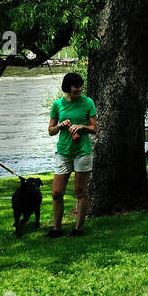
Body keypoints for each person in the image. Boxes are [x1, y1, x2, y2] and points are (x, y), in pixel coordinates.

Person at [48, 72, 97, 238]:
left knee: (80, 191)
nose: (79, 89)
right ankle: (57, 229)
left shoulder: (88, 102)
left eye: (81, 86)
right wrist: (60, 125)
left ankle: (78, 229)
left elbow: (94, 128)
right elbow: (50, 131)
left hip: (82, 151)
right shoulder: (57, 105)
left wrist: (81, 127)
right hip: (63, 152)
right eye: (76, 86)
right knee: (56, 193)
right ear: (68, 87)